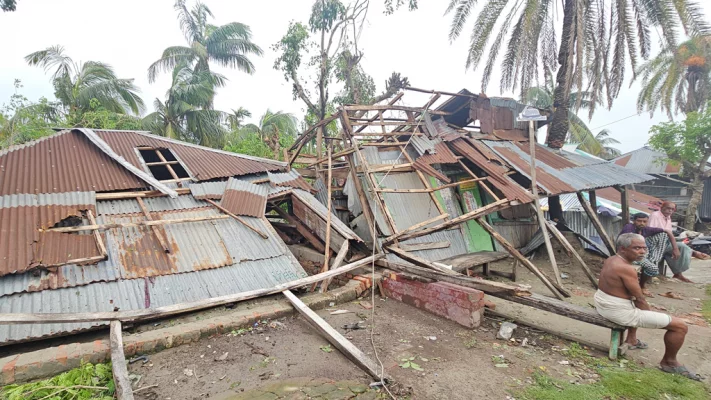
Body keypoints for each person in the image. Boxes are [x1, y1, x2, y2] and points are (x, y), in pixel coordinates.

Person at [595, 233, 702, 380]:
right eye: (637, 248)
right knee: (680, 326)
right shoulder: (626, 268)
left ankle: (631, 339)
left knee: (635, 304)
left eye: (644, 248)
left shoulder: (611, 260)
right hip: (616, 312)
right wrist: (650, 316)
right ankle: (669, 362)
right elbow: (640, 299)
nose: (642, 252)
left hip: (604, 304)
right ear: (622, 249)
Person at [647, 201, 710, 283]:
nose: (670, 211)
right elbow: (653, 231)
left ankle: (678, 273)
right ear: (662, 208)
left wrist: (674, 245)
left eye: (672, 209)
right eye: (668, 208)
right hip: (655, 243)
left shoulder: (668, 217)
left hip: (665, 242)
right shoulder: (656, 215)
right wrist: (674, 247)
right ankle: (694, 253)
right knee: (678, 247)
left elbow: (669, 234)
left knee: (683, 247)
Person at [618, 212, 679, 296]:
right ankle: (641, 286)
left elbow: (667, 231)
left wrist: (675, 248)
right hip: (629, 256)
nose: (642, 223)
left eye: (644, 221)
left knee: (662, 235)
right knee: (653, 269)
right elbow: (628, 245)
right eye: (639, 221)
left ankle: (653, 259)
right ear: (634, 221)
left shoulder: (645, 229)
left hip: (639, 254)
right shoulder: (629, 228)